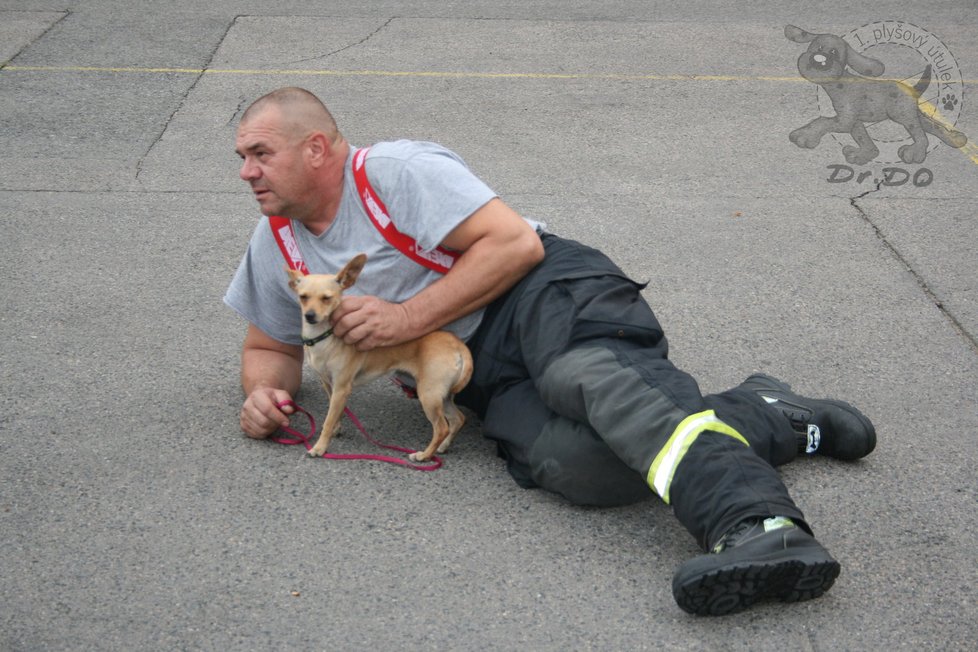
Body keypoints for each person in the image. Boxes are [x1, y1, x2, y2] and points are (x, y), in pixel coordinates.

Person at [225, 87, 876, 616]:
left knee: (589, 380)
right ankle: (765, 413)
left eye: (260, 153)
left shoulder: (395, 173)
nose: (247, 172)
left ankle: (757, 527)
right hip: (477, 368)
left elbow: (513, 245)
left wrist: (403, 318)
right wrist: (264, 392)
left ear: (315, 148)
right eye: (242, 158)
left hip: (539, 291)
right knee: (577, 464)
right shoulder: (276, 241)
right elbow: (267, 343)